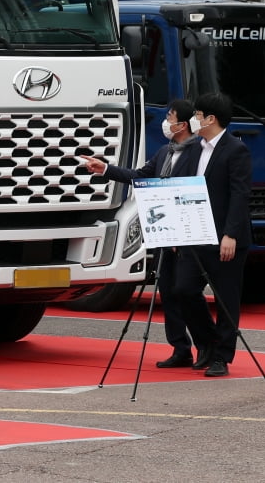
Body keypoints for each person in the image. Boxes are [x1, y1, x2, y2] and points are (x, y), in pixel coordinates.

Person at [80, 99, 201, 368]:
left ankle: (206, 346)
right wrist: (106, 169)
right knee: (167, 291)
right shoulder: (165, 152)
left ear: (182, 124)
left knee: (188, 292)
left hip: (190, 234)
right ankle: (180, 347)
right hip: (164, 233)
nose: (166, 122)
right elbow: (140, 175)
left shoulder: (198, 154)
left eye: (169, 117)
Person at [172, 92, 252, 377]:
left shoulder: (235, 150)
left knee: (226, 298)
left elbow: (240, 195)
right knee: (183, 289)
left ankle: (222, 356)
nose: (193, 119)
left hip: (225, 238)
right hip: (195, 235)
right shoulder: (194, 148)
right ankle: (206, 342)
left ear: (210, 118)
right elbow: (180, 184)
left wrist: (230, 234)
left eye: (197, 114)